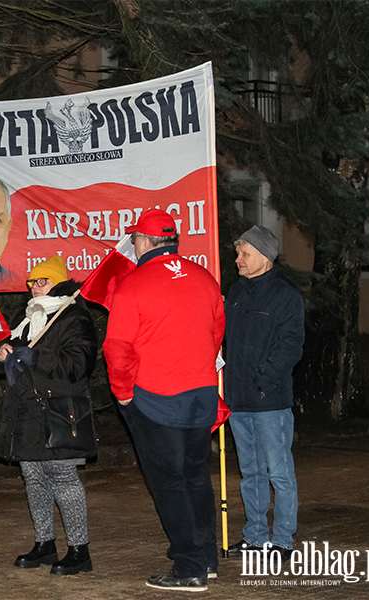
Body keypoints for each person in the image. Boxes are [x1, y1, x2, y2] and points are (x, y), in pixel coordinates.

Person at [104, 208, 224, 592]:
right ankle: (206, 557)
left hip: (157, 398)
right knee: (194, 476)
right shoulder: (204, 278)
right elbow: (217, 331)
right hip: (201, 394)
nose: (134, 244)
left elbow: (118, 347)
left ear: (144, 241)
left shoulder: (134, 285)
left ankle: (188, 566)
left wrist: (123, 395)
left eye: (135, 238)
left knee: (169, 482)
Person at [0, 255, 97, 576]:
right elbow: (0, 355)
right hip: (26, 411)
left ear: (58, 282)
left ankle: (79, 549)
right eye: (32, 282)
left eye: (42, 282)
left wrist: (34, 355)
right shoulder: (27, 318)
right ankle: (44, 543)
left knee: (63, 478)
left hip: (60, 412)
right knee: (33, 477)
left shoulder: (73, 317)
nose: (34, 287)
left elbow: (78, 365)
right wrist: (1, 353)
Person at [224, 225, 304, 558]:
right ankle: (255, 536)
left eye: (244, 253)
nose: (238, 259)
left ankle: (283, 539)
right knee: (251, 473)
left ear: (264, 256)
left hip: (268, 401)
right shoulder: (237, 292)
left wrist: (261, 379)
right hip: (238, 401)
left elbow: (291, 346)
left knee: (279, 472)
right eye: (238, 253)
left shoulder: (285, 295)